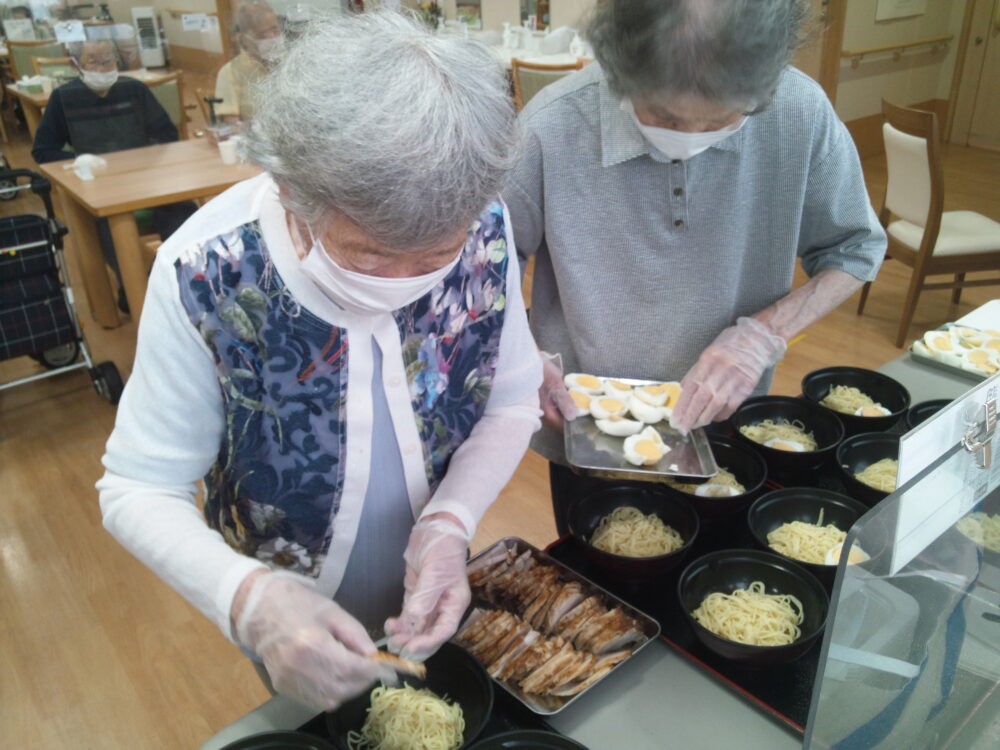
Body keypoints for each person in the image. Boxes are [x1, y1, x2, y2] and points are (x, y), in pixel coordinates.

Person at [97, 11, 541, 712]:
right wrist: (250, 601)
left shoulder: (483, 219)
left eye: (433, 258)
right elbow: (137, 487)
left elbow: (514, 399)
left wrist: (450, 524)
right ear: (289, 192)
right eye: (368, 255)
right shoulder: (207, 269)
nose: (404, 282)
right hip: (282, 601)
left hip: (435, 566)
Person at [503, 0, 888, 534]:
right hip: (585, 434)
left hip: (729, 430)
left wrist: (763, 335)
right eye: (663, 116)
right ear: (619, 68)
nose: (690, 138)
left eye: (724, 120)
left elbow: (854, 250)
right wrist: (521, 354)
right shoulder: (552, 127)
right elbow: (484, 269)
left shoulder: (797, 111)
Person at [32, 39, 195, 312]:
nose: (102, 67)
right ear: (76, 66)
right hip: (100, 186)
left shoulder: (135, 89)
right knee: (108, 222)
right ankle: (131, 288)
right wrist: (78, 161)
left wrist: (147, 158)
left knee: (185, 211)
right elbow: (43, 150)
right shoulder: (64, 98)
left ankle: (186, 280)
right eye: (93, 62)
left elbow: (166, 133)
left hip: (146, 179)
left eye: (108, 60)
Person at [214, 0, 283, 123]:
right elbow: (232, 125)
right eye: (262, 34)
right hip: (255, 139)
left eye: (275, 29)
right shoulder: (230, 73)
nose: (272, 38)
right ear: (244, 39)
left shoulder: (291, 63)